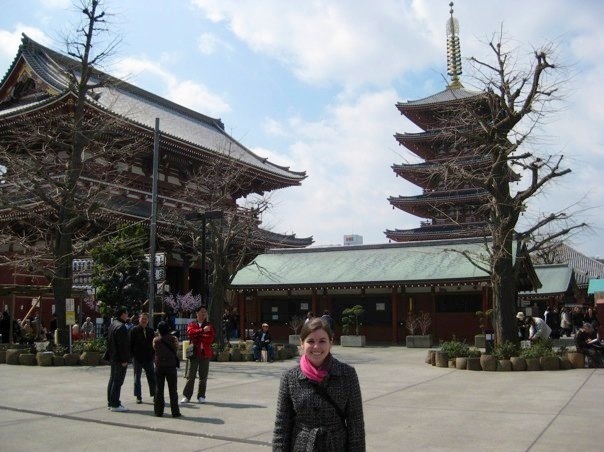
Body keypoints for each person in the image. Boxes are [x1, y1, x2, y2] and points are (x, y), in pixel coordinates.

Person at [273, 317, 365, 451]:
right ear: (302, 343)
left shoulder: (347, 374)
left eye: (322, 341)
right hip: (301, 447)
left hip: (336, 446)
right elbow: (282, 426)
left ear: (331, 343)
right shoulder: (290, 377)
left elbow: (356, 425)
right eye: (310, 341)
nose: (316, 346)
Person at [181, 306, 215, 405]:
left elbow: (210, 339)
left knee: (203, 376)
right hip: (194, 353)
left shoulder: (209, 325)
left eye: (205, 312)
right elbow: (190, 334)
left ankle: (201, 396)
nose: (204, 314)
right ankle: (187, 396)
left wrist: (199, 336)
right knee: (191, 375)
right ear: (197, 313)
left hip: (205, 353)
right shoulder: (192, 324)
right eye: (202, 312)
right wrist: (202, 331)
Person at [153, 321, 182, 417]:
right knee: (173, 390)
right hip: (171, 366)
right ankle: (175, 411)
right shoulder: (174, 339)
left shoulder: (155, 340)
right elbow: (177, 348)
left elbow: (154, 348)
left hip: (159, 366)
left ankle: (158, 411)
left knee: (159, 389)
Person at [106, 306, 131, 412]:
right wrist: (124, 360)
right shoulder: (121, 327)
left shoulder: (113, 324)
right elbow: (122, 346)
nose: (128, 315)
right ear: (122, 314)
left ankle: (111, 402)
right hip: (119, 358)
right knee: (118, 381)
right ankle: (115, 404)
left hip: (112, 356)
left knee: (112, 379)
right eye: (126, 313)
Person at [129, 312, 156, 404]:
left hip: (148, 358)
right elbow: (130, 344)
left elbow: (154, 345)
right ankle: (138, 396)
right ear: (139, 319)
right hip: (137, 358)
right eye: (142, 318)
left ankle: (154, 395)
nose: (144, 320)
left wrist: (154, 355)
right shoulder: (134, 330)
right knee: (137, 378)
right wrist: (132, 356)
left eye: (146, 319)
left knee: (152, 377)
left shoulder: (150, 331)